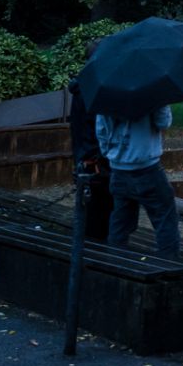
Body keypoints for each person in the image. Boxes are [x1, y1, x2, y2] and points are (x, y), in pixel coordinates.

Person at [96, 103, 179, 258]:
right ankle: (169, 264)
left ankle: (114, 262)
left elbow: (101, 130)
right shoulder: (150, 92)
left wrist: (111, 154)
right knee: (165, 218)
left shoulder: (107, 94)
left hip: (118, 168)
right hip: (146, 167)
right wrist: (163, 101)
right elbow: (163, 122)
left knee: (120, 221)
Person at [65, 42, 111, 242]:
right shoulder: (92, 90)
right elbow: (95, 126)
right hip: (94, 160)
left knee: (92, 214)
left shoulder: (82, 86)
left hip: (84, 156)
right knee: (98, 215)